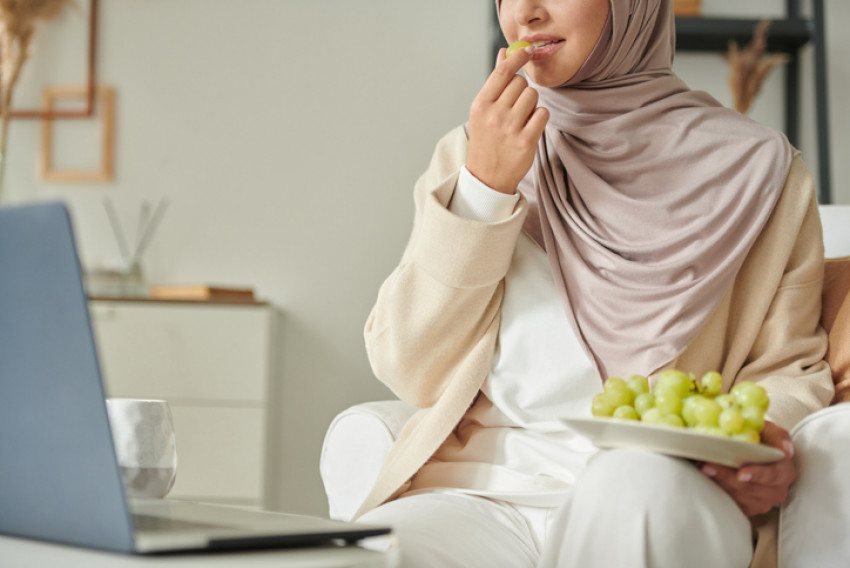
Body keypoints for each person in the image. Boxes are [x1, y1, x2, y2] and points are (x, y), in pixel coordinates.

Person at [355, 0, 835, 566]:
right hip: (478, 490)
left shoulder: (761, 170)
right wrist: (483, 191)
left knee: (634, 487)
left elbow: (786, 370)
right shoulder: (473, 151)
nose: (525, 14)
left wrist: (759, 445)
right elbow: (410, 369)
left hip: (663, 485)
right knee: (379, 552)